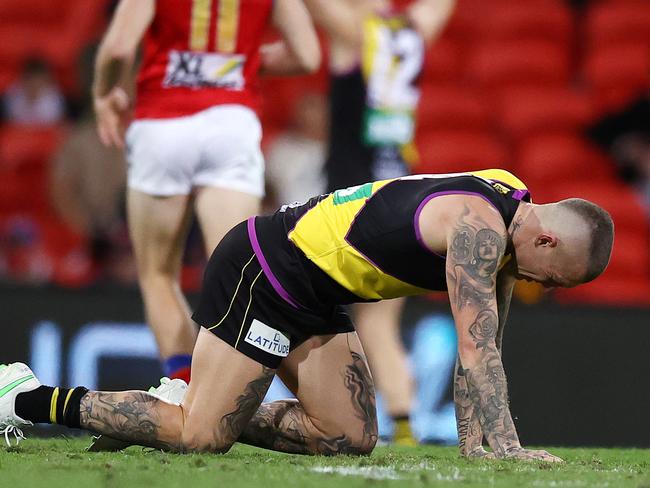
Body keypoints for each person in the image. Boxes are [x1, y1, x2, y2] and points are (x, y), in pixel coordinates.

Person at [1, 169, 614, 461]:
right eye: (553, 278)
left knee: (349, 438)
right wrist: (509, 451)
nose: (543, 286)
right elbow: (476, 350)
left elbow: (484, 345)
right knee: (199, 437)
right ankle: (26, 396)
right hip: (266, 270)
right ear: (550, 243)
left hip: (315, 293)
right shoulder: (478, 230)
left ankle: (191, 400)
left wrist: (478, 447)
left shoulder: (510, 211)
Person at [92, 0, 320, 382]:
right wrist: (240, 62)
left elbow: (117, 48)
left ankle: (184, 392)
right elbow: (308, 55)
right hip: (231, 123)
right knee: (243, 276)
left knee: (158, 275)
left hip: (163, 124)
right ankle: (308, 396)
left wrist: (102, 93)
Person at [302, 0, 455, 444]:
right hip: (400, 200)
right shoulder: (409, 34)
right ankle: (405, 427)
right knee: (378, 325)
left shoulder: (353, 34)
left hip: (349, 206)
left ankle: (313, 414)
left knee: (307, 309)